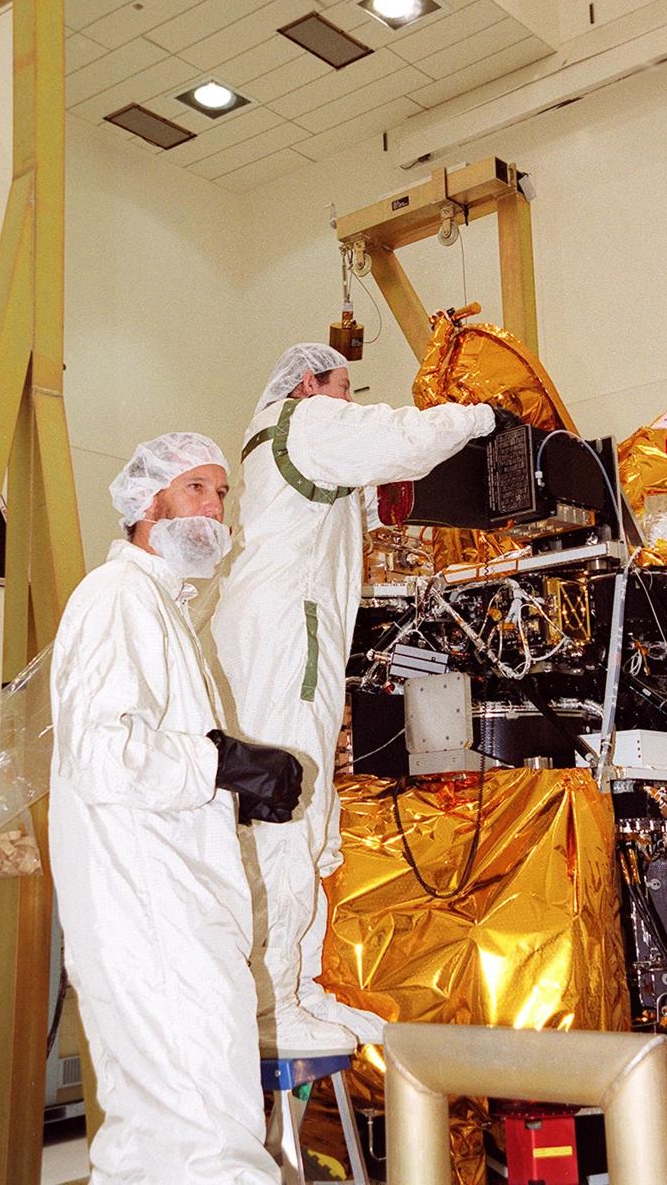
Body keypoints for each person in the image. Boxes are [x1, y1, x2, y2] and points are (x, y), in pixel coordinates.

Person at [212, 344, 514, 1056]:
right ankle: (273, 1002)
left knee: (301, 806)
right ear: (309, 384)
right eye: (341, 388)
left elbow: (369, 509)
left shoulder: (283, 444)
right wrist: (478, 417)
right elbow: (403, 438)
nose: (346, 402)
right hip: (289, 635)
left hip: (276, 630)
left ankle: (297, 988)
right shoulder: (308, 420)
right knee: (288, 808)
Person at [49, 432, 301, 1185]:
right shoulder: (120, 596)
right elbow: (103, 753)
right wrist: (221, 762)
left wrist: (228, 786)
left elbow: (149, 757)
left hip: (163, 903)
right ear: (145, 501)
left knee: (154, 1143)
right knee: (208, 1134)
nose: (214, 507)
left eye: (223, 493)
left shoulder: (157, 605)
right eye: (196, 487)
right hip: (154, 911)